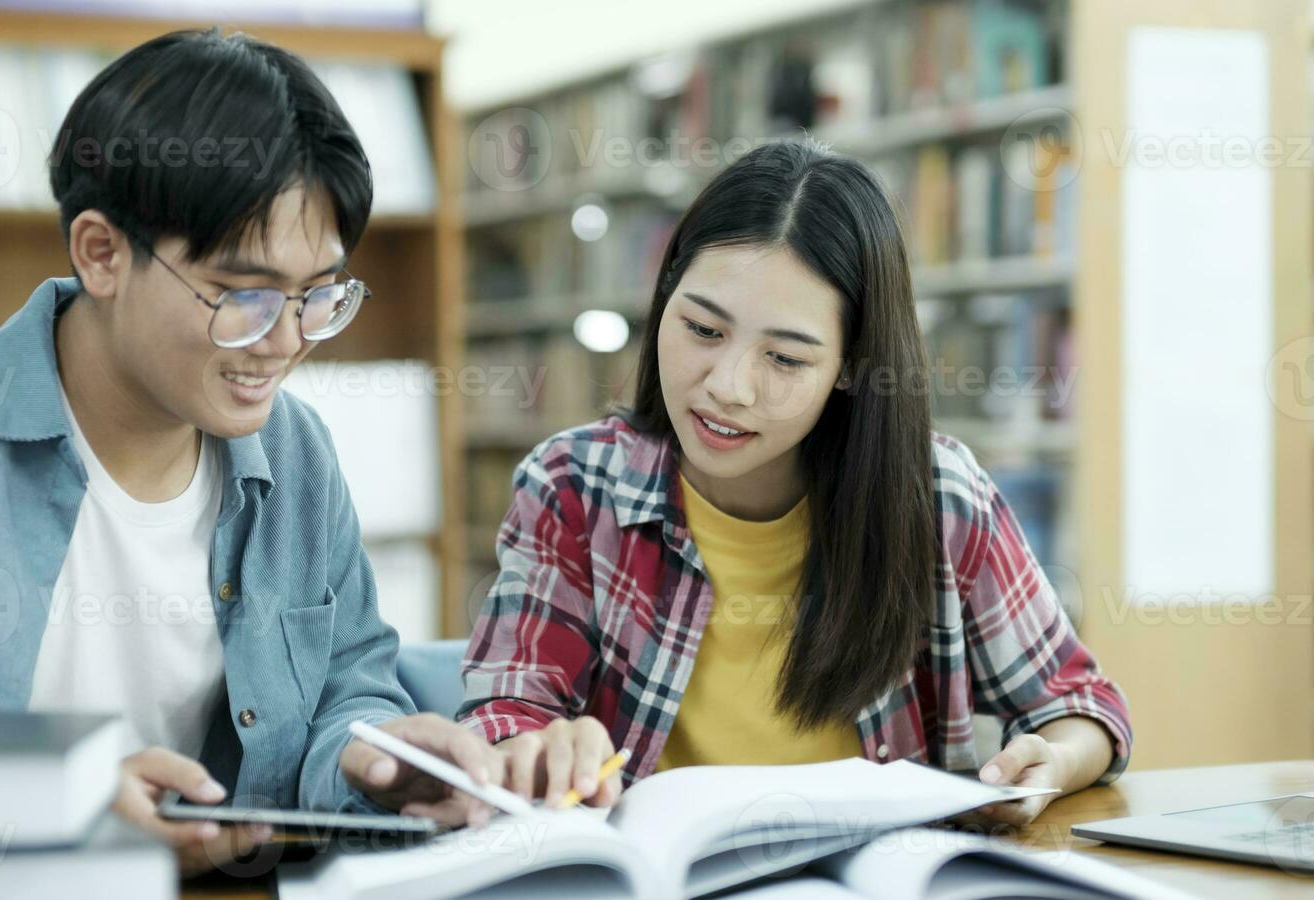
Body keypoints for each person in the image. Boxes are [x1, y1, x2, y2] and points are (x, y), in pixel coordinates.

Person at [0, 28, 498, 876]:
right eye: (243, 296)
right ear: (102, 253)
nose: (287, 343)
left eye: (318, 295)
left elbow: (348, 683)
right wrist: (55, 796)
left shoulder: (295, 452)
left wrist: (377, 762)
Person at [458, 140, 1131, 827]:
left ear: (848, 366)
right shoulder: (574, 488)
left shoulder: (937, 497)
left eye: (783, 357)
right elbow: (505, 710)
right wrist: (534, 745)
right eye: (700, 328)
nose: (727, 387)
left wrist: (1054, 760)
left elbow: (1083, 706)